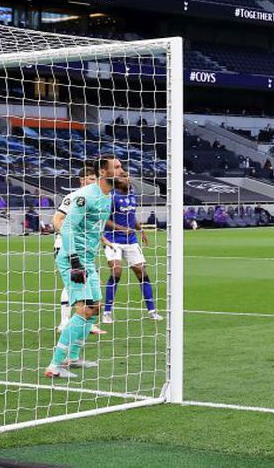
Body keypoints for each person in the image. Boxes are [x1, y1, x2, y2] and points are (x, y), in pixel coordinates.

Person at [45, 156, 123, 379]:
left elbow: (93, 228)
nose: (121, 170)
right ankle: (54, 365)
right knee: (85, 308)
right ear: (103, 171)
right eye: (116, 167)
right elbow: (64, 225)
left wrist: (103, 242)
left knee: (95, 307)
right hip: (73, 258)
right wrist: (74, 260)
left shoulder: (107, 197)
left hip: (87, 258)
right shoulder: (81, 197)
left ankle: (73, 357)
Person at [100, 170, 161, 325]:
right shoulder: (111, 197)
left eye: (127, 176)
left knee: (142, 272)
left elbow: (131, 216)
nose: (126, 178)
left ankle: (152, 311)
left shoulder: (132, 194)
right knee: (116, 270)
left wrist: (141, 230)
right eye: (122, 176)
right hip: (113, 239)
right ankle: (107, 312)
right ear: (116, 180)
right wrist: (121, 228)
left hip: (131, 240)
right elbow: (104, 220)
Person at [52, 165, 102, 335]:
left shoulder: (95, 199)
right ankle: (65, 322)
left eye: (95, 179)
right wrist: (70, 242)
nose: (94, 182)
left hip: (85, 250)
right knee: (74, 283)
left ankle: (83, 322)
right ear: (82, 180)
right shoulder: (73, 197)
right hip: (66, 247)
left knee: (84, 284)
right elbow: (58, 220)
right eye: (91, 179)